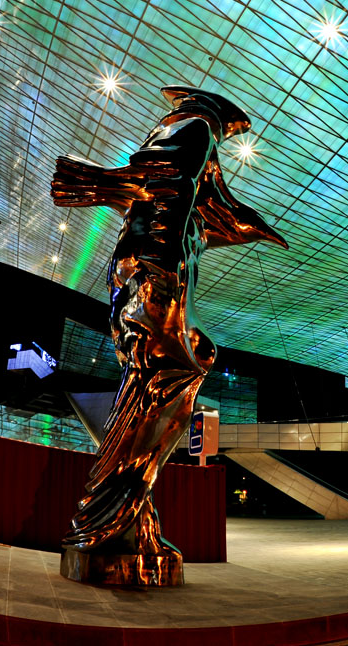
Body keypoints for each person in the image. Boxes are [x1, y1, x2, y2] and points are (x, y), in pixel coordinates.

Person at [51, 86, 287, 585]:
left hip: (151, 275)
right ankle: (103, 516)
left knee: (181, 368)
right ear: (216, 115)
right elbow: (165, 180)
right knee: (170, 372)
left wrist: (252, 227)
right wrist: (156, 260)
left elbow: (204, 205)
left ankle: (127, 514)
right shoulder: (196, 128)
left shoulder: (199, 156)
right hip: (154, 276)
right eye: (231, 127)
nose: (228, 135)